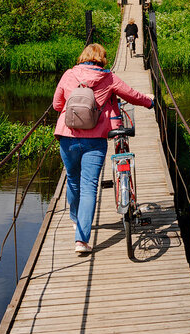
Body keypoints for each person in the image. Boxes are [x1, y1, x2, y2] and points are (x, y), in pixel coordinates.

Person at [52, 43, 153, 255]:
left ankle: (75, 219)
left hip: (67, 136)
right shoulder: (108, 78)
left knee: (72, 179)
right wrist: (149, 103)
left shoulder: (69, 74)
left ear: (83, 57)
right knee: (89, 186)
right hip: (95, 139)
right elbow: (131, 94)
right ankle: (81, 240)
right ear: (103, 59)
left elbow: (57, 105)